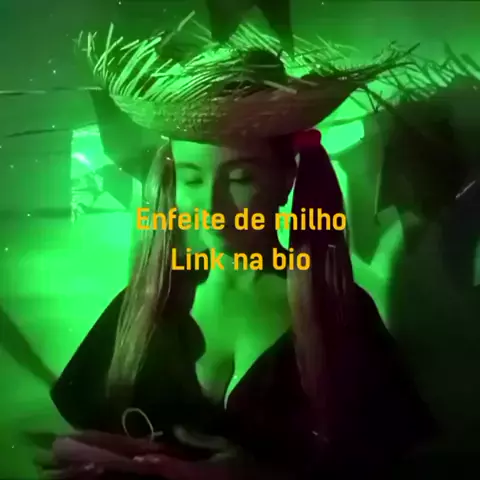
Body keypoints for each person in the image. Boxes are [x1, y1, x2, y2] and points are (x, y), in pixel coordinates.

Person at [45, 18, 434, 479]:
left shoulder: (339, 314)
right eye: (192, 178)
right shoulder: (146, 304)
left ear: (286, 179)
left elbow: (389, 465)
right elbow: (82, 432)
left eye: (240, 177)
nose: (212, 205)